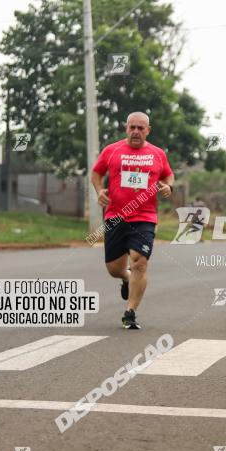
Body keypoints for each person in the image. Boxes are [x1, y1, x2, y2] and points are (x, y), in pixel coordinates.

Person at [91, 112, 174, 329]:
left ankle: (130, 312)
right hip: (115, 216)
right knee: (114, 269)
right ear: (126, 128)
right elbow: (96, 173)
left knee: (140, 262)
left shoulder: (157, 153)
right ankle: (126, 279)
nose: (136, 131)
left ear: (148, 130)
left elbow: (168, 175)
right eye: (132, 127)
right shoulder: (112, 150)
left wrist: (168, 186)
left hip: (144, 217)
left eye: (141, 128)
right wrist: (99, 190)